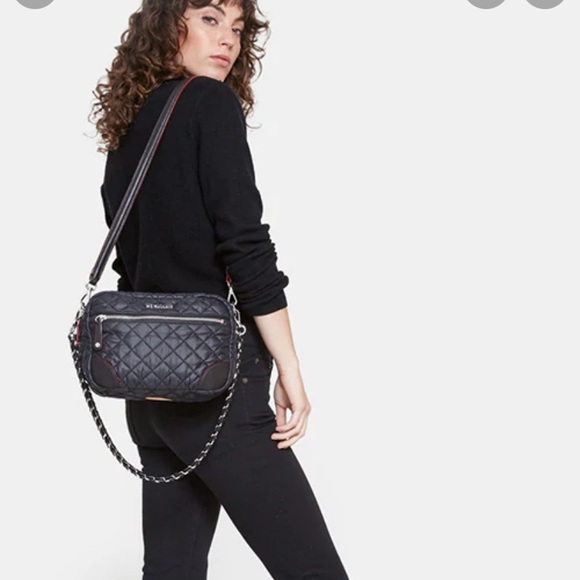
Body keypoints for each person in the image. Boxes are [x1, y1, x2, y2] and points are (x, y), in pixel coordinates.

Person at [89, 1, 350, 578]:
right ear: (167, 22)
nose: (228, 39)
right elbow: (246, 246)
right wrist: (289, 367)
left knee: (171, 571)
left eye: (237, 27)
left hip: (148, 389)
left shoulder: (131, 122)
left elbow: (132, 264)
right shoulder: (209, 102)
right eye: (210, 19)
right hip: (217, 385)